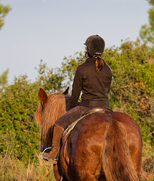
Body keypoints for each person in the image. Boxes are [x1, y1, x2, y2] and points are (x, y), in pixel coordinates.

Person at [41, 35, 113, 163]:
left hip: (86, 107)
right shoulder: (107, 70)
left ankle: (53, 153)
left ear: (88, 50)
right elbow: (106, 90)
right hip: (105, 107)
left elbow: (75, 94)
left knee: (58, 124)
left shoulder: (82, 69)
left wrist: (71, 109)